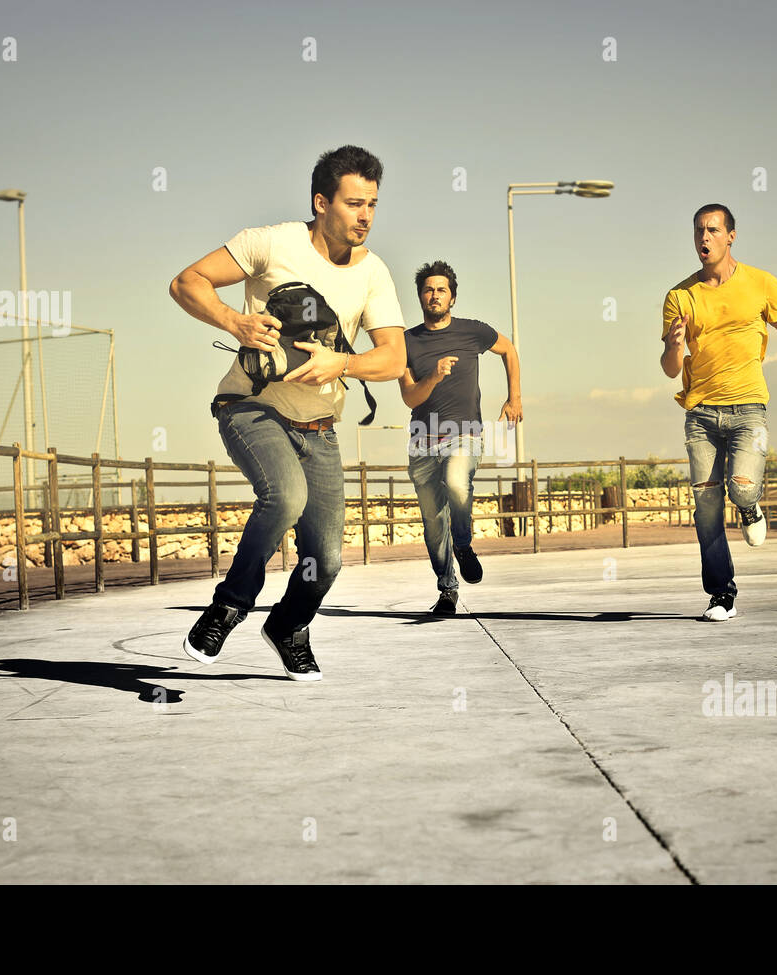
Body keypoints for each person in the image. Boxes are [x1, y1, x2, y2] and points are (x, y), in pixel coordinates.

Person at [168, 145, 406, 678]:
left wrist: (341, 362)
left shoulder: (373, 273)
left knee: (328, 558)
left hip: (319, 428)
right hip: (252, 408)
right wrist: (236, 323)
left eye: (372, 204)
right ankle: (228, 605)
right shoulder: (270, 243)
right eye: (353, 203)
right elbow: (187, 282)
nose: (365, 215)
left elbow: (393, 357)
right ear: (322, 202)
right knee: (286, 494)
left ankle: (288, 625)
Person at [661, 203, 777, 621]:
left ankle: (749, 505)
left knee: (739, 488)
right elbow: (671, 369)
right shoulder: (680, 296)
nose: (704, 238)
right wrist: (673, 344)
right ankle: (722, 595)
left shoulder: (762, 284)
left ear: (731, 236)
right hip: (700, 413)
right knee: (705, 508)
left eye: (713, 230)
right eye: (699, 231)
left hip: (748, 410)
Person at [400, 261, 521, 614]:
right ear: (420, 297)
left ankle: (464, 545)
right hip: (422, 440)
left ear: (452, 297)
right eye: (428, 290)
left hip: (463, 434)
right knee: (434, 525)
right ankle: (447, 591)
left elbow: (509, 350)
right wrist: (434, 377)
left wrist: (514, 398)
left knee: (456, 482)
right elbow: (410, 397)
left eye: (441, 289)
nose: (434, 295)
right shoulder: (406, 342)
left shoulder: (473, 332)